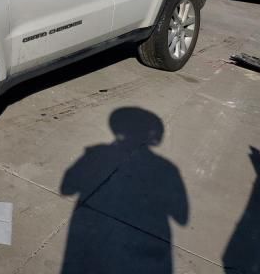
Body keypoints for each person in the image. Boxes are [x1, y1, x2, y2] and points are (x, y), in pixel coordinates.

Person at [60, 107, 188, 274]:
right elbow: (181, 217)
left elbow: (66, 187)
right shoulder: (167, 169)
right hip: (143, 256)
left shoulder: (96, 154)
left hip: (91, 247)